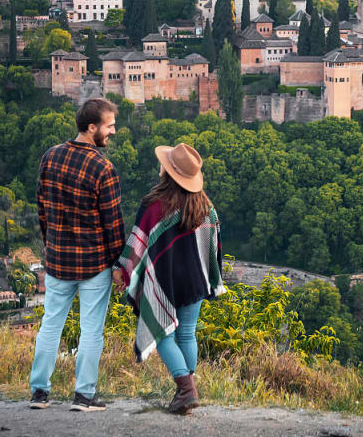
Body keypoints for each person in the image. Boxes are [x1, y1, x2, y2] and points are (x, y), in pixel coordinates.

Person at [28, 98, 126, 412]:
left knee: (50, 324)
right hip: (93, 263)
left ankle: (39, 393)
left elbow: (42, 208)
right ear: (92, 127)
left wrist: (50, 245)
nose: (113, 131)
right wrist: (118, 263)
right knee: (91, 329)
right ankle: (83, 395)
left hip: (57, 259)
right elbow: (113, 224)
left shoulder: (51, 156)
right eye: (109, 126)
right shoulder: (103, 168)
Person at [116, 142, 226, 414]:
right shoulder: (206, 207)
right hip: (195, 280)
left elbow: (137, 244)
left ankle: (186, 388)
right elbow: (213, 247)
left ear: (166, 172)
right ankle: (188, 389)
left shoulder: (153, 206)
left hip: (163, 281)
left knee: (164, 333)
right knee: (187, 333)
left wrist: (124, 272)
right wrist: (211, 277)